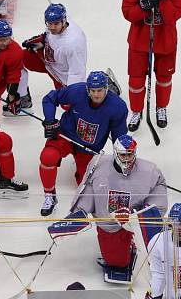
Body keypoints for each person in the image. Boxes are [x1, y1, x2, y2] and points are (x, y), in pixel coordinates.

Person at [61, 134, 167, 283]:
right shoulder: (98, 164)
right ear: (116, 153)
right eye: (123, 155)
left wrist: (138, 214)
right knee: (118, 262)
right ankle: (126, 246)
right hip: (109, 224)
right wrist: (79, 212)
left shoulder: (150, 170)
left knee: (160, 255)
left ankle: (133, 238)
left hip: (136, 221)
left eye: (130, 155)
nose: (127, 159)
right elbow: (88, 189)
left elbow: (159, 188)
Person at [38, 71, 128, 216]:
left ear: (107, 88)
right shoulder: (77, 91)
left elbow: (119, 136)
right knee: (48, 157)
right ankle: (50, 196)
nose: (96, 95)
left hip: (89, 148)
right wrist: (49, 121)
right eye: (93, 91)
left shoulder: (117, 107)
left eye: (99, 90)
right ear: (87, 89)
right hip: (66, 136)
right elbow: (50, 98)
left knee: (86, 186)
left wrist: (121, 157)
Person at [121, 0, 181, 130]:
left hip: (165, 41)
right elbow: (127, 12)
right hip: (139, 40)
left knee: (164, 78)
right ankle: (136, 111)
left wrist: (163, 0)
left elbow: (174, 16)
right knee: (136, 79)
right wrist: (142, 6)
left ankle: (161, 108)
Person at [10, 3, 88, 115]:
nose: (52, 27)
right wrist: (42, 40)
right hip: (47, 60)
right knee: (16, 59)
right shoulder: (57, 21)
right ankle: (23, 100)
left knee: (70, 105)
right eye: (49, 23)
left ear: (64, 21)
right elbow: (48, 35)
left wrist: (71, 94)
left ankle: (105, 88)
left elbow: (76, 72)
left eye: (56, 24)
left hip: (62, 76)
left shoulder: (73, 44)